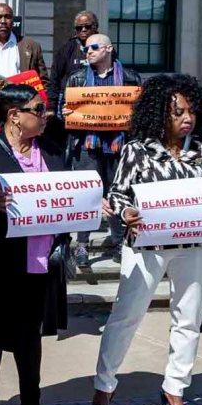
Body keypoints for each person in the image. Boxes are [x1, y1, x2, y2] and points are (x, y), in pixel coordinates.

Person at [90, 74, 202, 405]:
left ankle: (176, 387)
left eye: (190, 111)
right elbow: (118, 194)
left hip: (194, 243)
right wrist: (127, 213)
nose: (186, 118)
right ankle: (104, 385)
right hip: (147, 244)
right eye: (178, 112)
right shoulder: (136, 149)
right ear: (160, 114)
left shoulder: (201, 148)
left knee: (188, 317)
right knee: (127, 315)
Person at [0, 84, 68, 405]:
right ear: (14, 116)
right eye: (38, 110)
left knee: (30, 337)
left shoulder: (52, 152)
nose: (44, 116)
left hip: (39, 261)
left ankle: (32, 403)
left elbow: (68, 195)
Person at [60, 32, 141, 266]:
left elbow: (143, 112)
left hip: (119, 144)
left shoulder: (129, 77)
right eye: (86, 49)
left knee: (117, 192)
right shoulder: (77, 78)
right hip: (87, 144)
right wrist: (64, 113)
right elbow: (60, 110)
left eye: (94, 47)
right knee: (88, 194)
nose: (89, 52)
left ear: (109, 48)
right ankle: (83, 244)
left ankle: (118, 242)